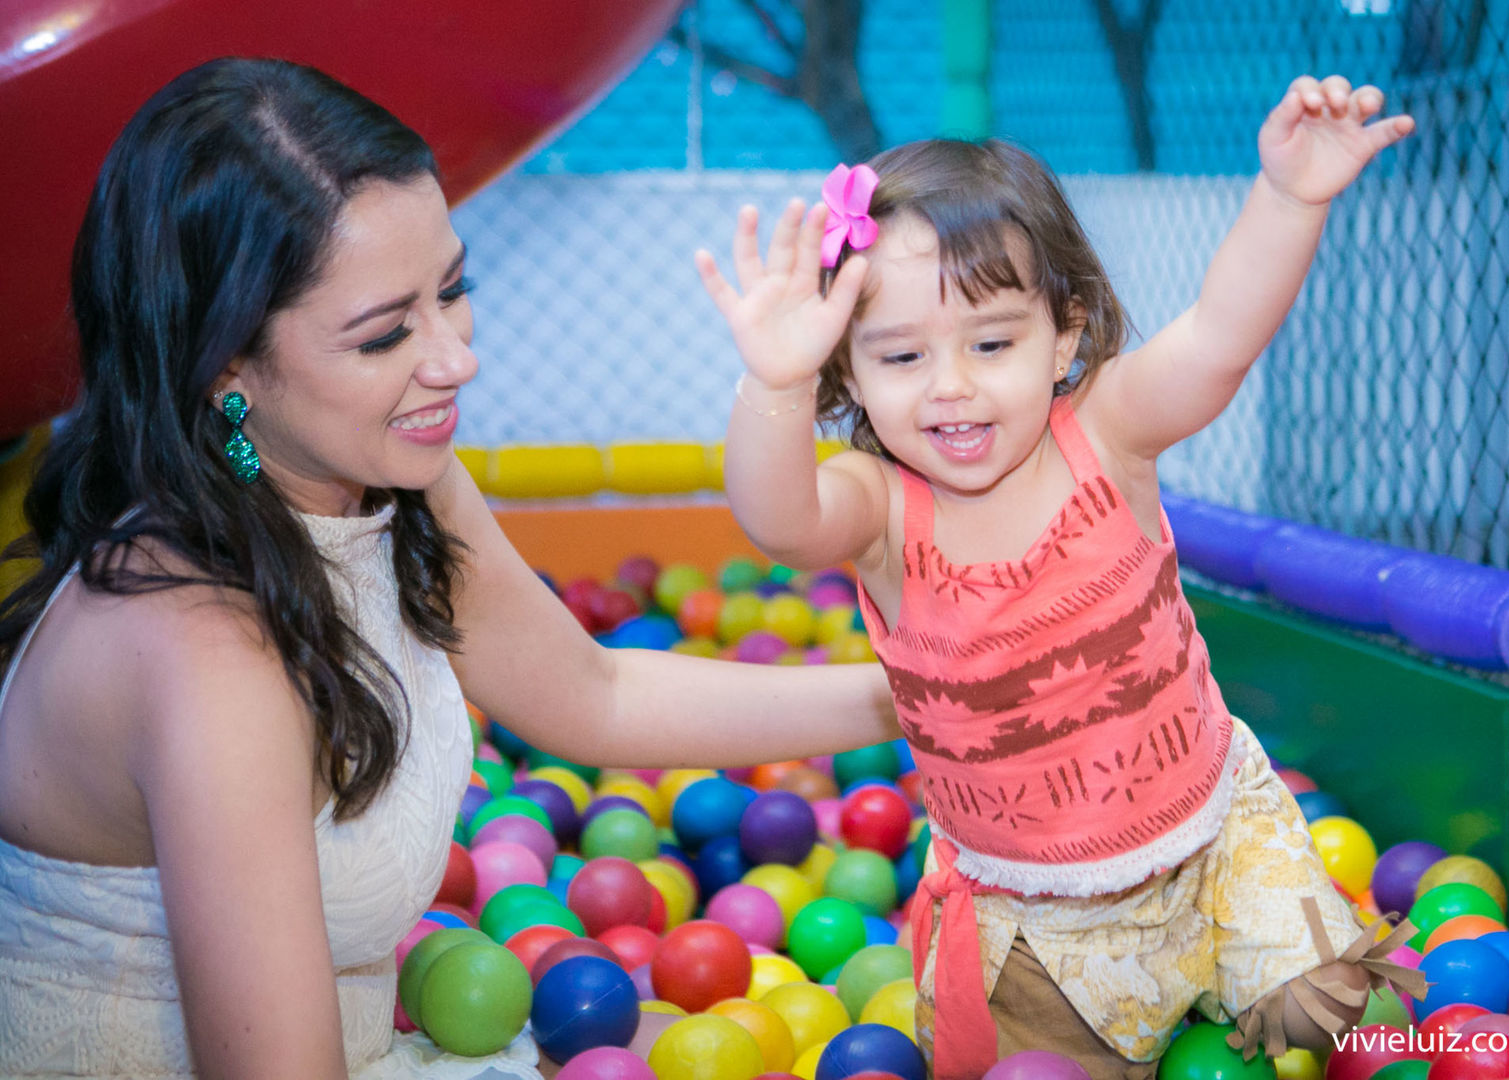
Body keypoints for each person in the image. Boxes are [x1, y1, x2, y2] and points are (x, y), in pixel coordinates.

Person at [0, 58, 900, 1080]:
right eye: (386, 333)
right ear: (227, 371)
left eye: (453, 289)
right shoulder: (210, 651)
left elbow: (594, 693)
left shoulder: (383, 485)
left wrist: (918, 697)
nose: (455, 357)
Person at [698, 75, 1427, 1079]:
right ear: (850, 377)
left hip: (1216, 841)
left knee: (1340, 1028)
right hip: (1040, 924)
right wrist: (774, 383)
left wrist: (1292, 198)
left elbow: (1218, 339)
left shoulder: (1108, 435)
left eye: (991, 342)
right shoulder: (880, 505)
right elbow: (777, 521)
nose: (951, 384)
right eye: (901, 356)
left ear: (1065, 335)